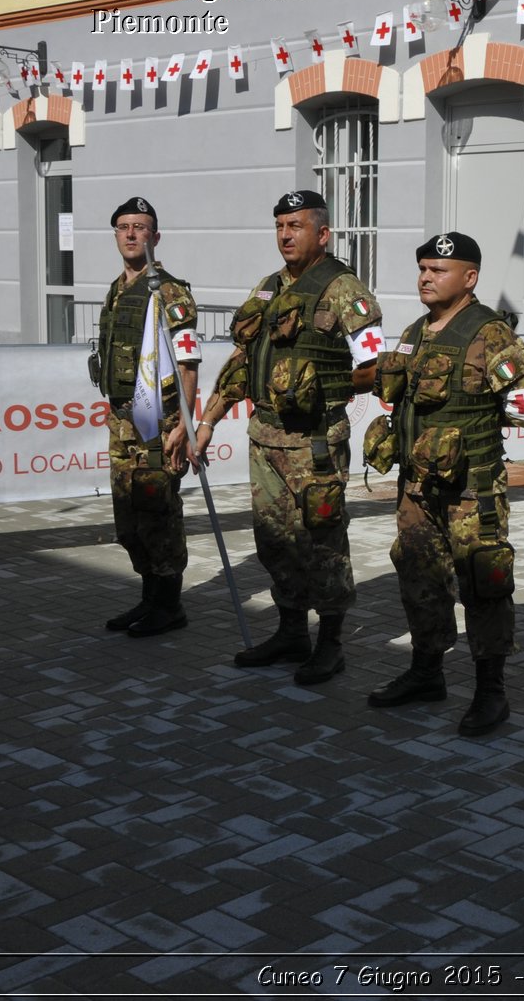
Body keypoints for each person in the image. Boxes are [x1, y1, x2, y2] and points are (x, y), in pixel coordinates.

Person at [194, 190, 385, 686]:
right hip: (265, 437)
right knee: (275, 542)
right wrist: (209, 419)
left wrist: (324, 389)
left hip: (314, 442)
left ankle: (331, 642)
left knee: (321, 542)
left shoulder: (343, 289)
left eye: (296, 225)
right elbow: (242, 362)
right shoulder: (268, 288)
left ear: (322, 233)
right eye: (280, 225)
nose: (285, 235)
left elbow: (376, 366)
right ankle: (291, 632)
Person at [364, 232, 524, 735]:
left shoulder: (492, 335)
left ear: (470, 278)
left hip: (472, 489)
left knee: (483, 585)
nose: (426, 276)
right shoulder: (414, 332)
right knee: (419, 577)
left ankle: (492, 692)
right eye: (422, 267)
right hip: (417, 487)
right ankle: (427, 672)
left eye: (439, 270)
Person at [93, 196, 202, 638]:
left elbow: (189, 362)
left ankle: (169, 605)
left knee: (158, 514)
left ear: (155, 236)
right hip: (122, 423)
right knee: (129, 521)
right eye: (124, 227)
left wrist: (185, 424)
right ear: (117, 234)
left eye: (141, 227)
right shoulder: (117, 289)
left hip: (159, 424)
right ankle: (148, 598)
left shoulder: (169, 291)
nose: (132, 234)